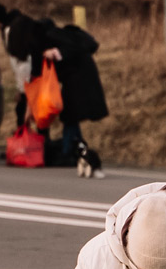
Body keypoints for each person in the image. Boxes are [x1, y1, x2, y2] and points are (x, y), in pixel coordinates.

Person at [14, 15, 109, 166]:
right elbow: (36, 74)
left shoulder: (53, 36)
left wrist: (57, 52)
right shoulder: (40, 42)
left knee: (70, 116)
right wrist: (29, 107)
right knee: (71, 116)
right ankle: (77, 151)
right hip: (74, 79)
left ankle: (68, 153)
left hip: (80, 78)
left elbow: (76, 49)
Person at [0, 3, 31, 129]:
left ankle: (26, 143)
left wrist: (22, 89)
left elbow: (20, 62)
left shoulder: (11, 30)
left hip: (29, 79)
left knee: (23, 111)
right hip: (30, 77)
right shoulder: (12, 26)